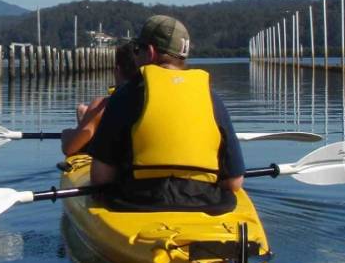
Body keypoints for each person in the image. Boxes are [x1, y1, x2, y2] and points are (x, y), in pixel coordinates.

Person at [88, 15, 245, 214]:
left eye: (137, 49)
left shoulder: (126, 95)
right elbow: (234, 182)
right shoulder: (212, 98)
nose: (134, 56)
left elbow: (100, 177)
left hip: (137, 203)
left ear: (151, 53)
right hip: (206, 203)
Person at [60, 42, 138, 156]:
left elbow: (69, 149)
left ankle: (84, 126)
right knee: (82, 111)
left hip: (113, 163)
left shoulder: (101, 107)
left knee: (80, 114)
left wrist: (66, 136)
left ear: (117, 69)